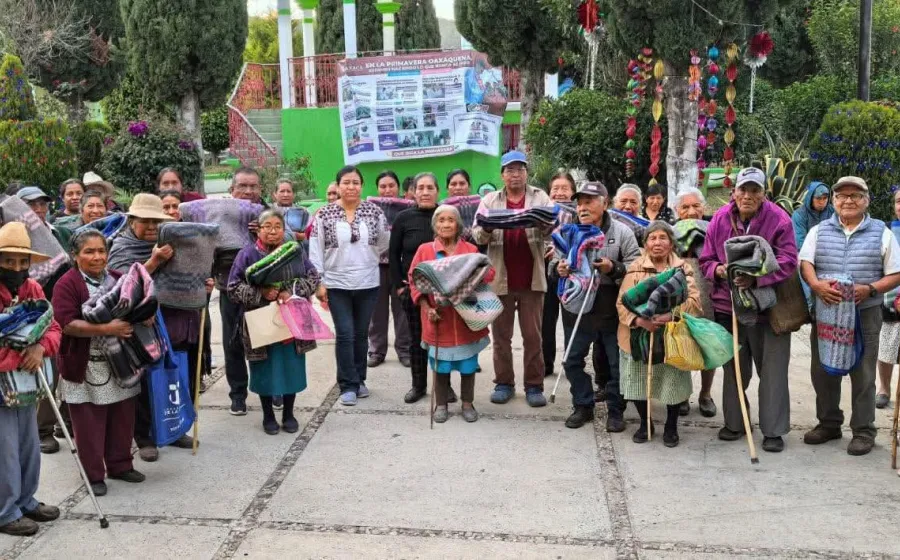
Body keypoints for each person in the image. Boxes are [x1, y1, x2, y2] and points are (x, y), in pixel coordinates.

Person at [699, 167, 798, 453]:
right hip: (728, 306)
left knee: (773, 371)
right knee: (734, 370)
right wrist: (718, 270)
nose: (748, 196)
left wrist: (758, 277)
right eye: (743, 189)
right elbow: (706, 259)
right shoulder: (719, 218)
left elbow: (789, 260)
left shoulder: (779, 219)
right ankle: (735, 422)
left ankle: (773, 430)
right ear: (735, 192)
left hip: (769, 309)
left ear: (763, 194)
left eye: (755, 190)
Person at [800, 176, 900, 456]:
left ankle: (863, 430)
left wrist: (870, 289)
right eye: (841, 196)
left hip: (865, 313)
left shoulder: (881, 232)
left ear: (866, 201)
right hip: (828, 313)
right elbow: (805, 262)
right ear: (833, 201)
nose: (848, 201)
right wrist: (816, 285)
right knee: (822, 370)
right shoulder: (820, 231)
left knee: (864, 372)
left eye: (855, 196)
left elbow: (895, 273)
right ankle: (829, 423)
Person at [107, 193, 206, 462]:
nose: (151, 227)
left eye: (156, 222)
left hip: (171, 321)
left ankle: (173, 429)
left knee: (173, 377)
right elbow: (120, 287)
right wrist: (153, 262)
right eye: (145, 221)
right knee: (143, 382)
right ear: (131, 222)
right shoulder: (121, 247)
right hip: (137, 325)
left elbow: (184, 275)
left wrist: (202, 285)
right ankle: (144, 438)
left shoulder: (168, 243)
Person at [53, 229, 147, 497]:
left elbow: (139, 304)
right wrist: (107, 328)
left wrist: (147, 314)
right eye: (89, 252)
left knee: (123, 417)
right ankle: (93, 474)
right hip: (86, 364)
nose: (97, 257)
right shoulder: (67, 284)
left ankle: (120, 465)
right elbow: (67, 324)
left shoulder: (119, 279)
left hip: (121, 362)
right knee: (88, 423)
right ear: (75, 255)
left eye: (101, 251)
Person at [551, 182, 641, 430]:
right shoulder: (567, 232)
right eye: (579, 202)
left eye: (590, 201)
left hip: (610, 309)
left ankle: (615, 410)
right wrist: (559, 269)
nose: (583, 207)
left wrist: (614, 268)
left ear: (605, 203)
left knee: (616, 364)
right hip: (576, 309)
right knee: (571, 361)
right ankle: (583, 405)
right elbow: (554, 262)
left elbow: (637, 268)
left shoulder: (623, 232)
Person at [228, 210, 321, 434]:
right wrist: (262, 293)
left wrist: (292, 291)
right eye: (267, 226)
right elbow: (232, 288)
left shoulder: (294, 252)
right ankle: (268, 415)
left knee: (292, 368)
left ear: (283, 229)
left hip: (292, 321)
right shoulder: (247, 255)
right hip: (262, 323)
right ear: (258, 230)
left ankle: (288, 413)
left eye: (277, 226)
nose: (272, 231)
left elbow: (313, 277)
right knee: (263, 368)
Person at [472, 150, 552, 407]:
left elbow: (554, 227)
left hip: (532, 279)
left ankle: (534, 386)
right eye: (510, 170)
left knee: (532, 336)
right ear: (502, 175)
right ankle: (504, 383)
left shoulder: (540, 196)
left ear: (526, 172)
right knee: (501, 337)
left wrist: (544, 223)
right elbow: (477, 235)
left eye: (519, 169)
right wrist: (486, 227)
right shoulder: (489, 200)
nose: (515, 174)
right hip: (499, 280)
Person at [0, 222, 62, 536]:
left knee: (28, 443)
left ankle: (26, 500)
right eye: (8, 261)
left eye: (21, 262)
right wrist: (20, 356)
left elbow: (52, 326)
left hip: (26, 381)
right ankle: (5, 511)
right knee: (5, 447)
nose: (16, 267)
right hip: (3, 382)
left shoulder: (33, 289)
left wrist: (40, 347)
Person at [617, 221, 702, 447]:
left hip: (672, 337)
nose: (657, 243)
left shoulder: (682, 269)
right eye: (652, 238)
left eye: (662, 238)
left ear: (671, 243)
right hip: (638, 337)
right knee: (636, 383)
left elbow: (693, 302)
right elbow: (622, 303)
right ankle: (646, 424)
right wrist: (639, 320)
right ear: (645, 244)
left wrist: (671, 315)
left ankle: (671, 426)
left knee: (672, 384)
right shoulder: (635, 268)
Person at [310, 166, 389, 406]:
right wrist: (318, 282)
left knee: (361, 333)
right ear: (338, 186)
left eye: (356, 182)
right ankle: (347, 384)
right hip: (336, 284)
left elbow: (384, 241)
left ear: (362, 186)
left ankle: (359, 380)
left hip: (367, 282)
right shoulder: (324, 215)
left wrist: (367, 257)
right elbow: (315, 250)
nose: (351, 187)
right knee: (345, 333)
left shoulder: (374, 212)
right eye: (346, 182)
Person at [408, 205, 492, 423]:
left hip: (467, 319)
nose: (445, 224)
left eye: (450, 220)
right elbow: (414, 280)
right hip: (438, 319)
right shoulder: (425, 250)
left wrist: (477, 275)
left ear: (458, 225)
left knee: (468, 365)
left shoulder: (471, 251)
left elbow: (488, 273)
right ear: (434, 225)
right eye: (441, 220)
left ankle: (467, 403)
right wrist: (427, 309)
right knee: (440, 365)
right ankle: (442, 404)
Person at [16, 187, 69, 453]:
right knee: (35, 375)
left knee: (57, 372)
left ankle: (53, 425)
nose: (37, 209)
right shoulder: (11, 235)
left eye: (42, 204)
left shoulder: (55, 233)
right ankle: (40, 430)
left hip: (55, 309)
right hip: (23, 314)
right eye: (31, 205)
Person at [390, 173, 444, 403]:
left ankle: (444, 387)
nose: (424, 192)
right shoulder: (403, 218)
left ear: (437, 191)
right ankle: (418, 385)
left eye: (429, 187)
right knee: (417, 340)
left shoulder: (445, 216)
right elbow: (393, 254)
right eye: (420, 187)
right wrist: (399, 288)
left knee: (443, 341)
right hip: (413, 292)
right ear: (412, 192)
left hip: (443, 291)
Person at [218, 167, 263, 415]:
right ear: (232, 190)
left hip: (263, 290)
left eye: (253, 186)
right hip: (230, 288)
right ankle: (238, 394)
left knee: (265, 339)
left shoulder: (268, 213)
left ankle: (270, 389)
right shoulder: (220, 215)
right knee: (232, 342)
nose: (248, 191)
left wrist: (265, 233)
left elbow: (289, 242)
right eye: (242, 186)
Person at [672, 187, 717, 418]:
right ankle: (682, 395)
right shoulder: (669, 234)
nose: (691, 212)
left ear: (704, 208)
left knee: (708, 345)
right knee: (681, 344)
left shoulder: (714, 231)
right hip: (679, 296)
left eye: (695, 206)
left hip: (708, 294)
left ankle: (706, 395)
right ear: (677, 211)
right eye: (685, 207)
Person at [369, 171, 411, 369]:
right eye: (383, 186)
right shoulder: (368, 210)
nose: (387, 190)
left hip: (400, 267)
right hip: (375, 267)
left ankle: (404, 350)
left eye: (391, 185)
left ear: (398, 188)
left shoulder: (407, 210)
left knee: (402, 310)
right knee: (376, 312)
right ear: (377, 188)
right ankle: (377, 351)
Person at [877, 188, 900, 409]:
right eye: (899, 201)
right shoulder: (887, 231)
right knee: (886, 347)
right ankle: (884, 388)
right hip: (890, 299)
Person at [791, 181, 833, 251]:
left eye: (825, 198)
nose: (822, 202)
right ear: (810, 198)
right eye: (818, 198)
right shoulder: (799, 215)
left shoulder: (832, 212)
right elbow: (799, 242)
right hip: (805, 253)